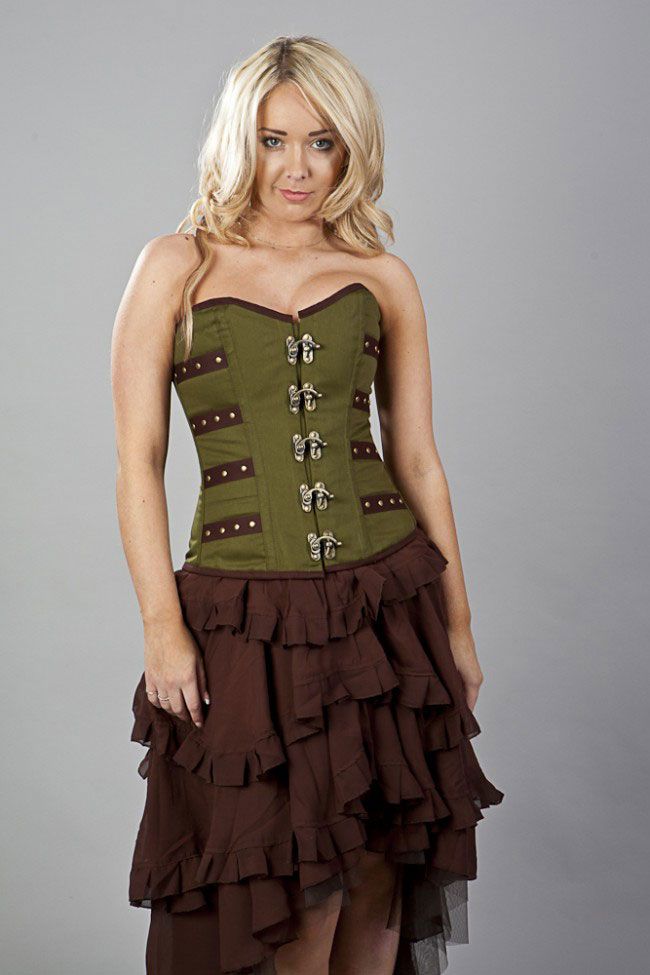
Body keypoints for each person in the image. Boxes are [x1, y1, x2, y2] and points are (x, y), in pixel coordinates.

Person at [111, 34, 504, 975]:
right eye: (274, 139)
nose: (297, 167)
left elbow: (418, 460)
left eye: (322, 142)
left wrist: (458, 630)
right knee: (292, 890)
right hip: (246, 618)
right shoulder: (174, 265)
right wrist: (162, 627)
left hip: (384, 610)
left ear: (350, 149)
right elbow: (137, 462)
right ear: (238, 140)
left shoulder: (382, 277)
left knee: (378, 871)